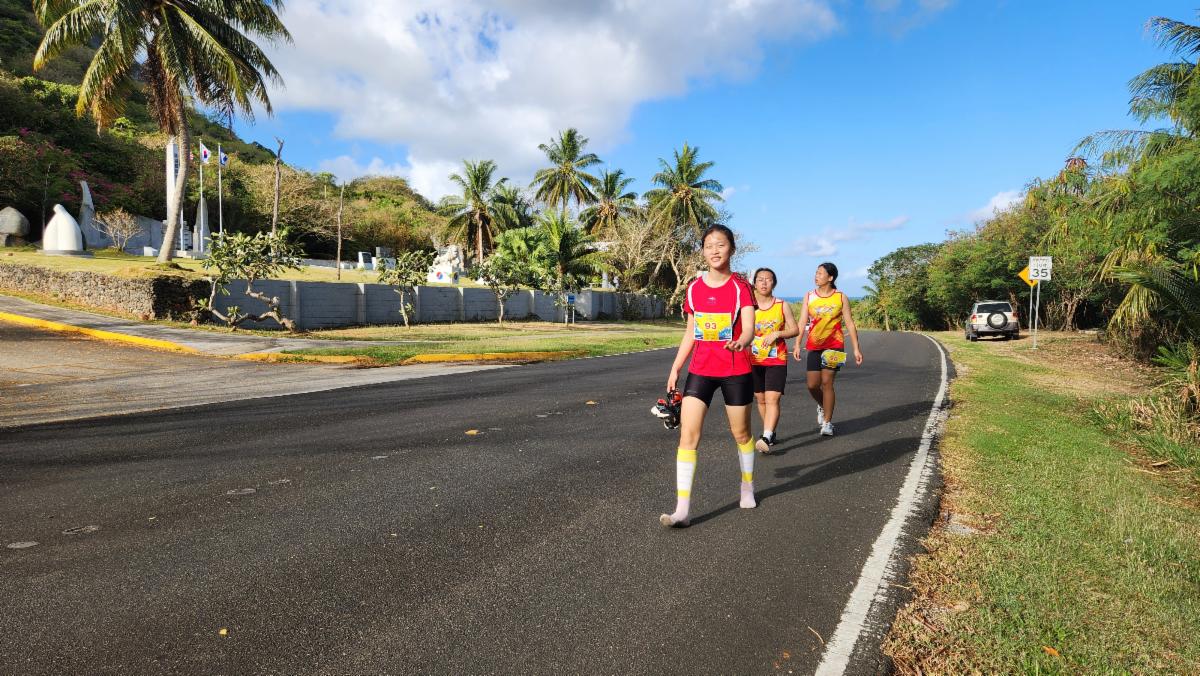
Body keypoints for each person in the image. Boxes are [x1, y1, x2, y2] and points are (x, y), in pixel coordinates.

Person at [660, 224, 757, 527]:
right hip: (700, 370)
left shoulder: (741, 287)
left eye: (721, 245)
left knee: (740, 433)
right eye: (709, 245)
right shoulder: (693, 288)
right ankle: (682, 509)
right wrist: (677, 366)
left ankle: (747, 485)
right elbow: (691, 332)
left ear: (732, 249)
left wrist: (743, 340)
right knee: (688, 436)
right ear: (702, 250)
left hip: (735, 370)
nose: (715, 251)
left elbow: (750, 327)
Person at [792, 262, 863, 437]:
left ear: (830, 277)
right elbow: (802, 322)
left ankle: (827, 423)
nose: (816, 276)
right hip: (814, 345)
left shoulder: (840, 297)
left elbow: (850, 323)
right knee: (812, 385)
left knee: (827, 383)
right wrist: (797, 343)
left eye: (820, 273)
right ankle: (823, 405)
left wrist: (856, 349)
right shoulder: (809, 296)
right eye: (816, 273)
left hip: (835, 345)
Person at [749, 267, 800, 453]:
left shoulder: (781, 305)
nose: (764, 283)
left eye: (768, 279)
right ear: (754, 282)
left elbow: (794, 330)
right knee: (761, 399)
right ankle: (769, 431)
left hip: (776, 358)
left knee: (772, 399)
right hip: (754, 359)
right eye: (760, 279)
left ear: (774, 283)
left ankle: (767, 435)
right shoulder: (748, 306)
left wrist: (778, 333)